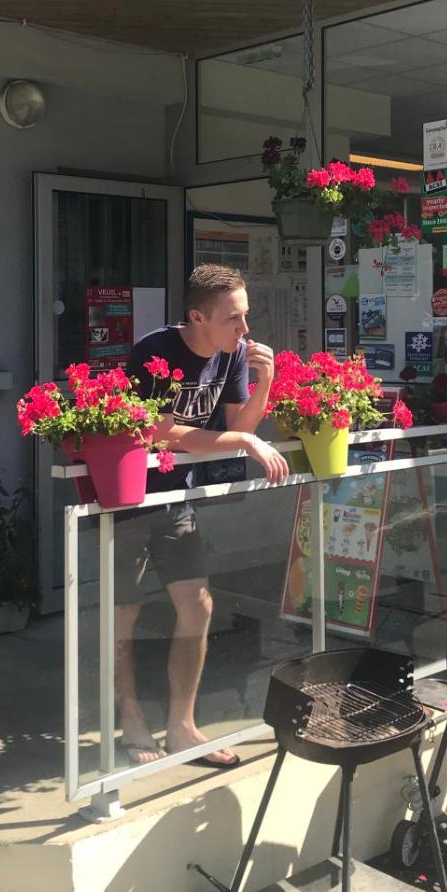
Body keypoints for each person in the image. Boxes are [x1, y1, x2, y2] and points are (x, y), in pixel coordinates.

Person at [114, 264, 288, 768]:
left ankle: (182, 726)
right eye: (233, 318)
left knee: (198, 608)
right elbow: (162, 433)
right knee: (125, 615)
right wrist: (246, 442)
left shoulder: (232, 354)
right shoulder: (156, 351)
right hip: (128, 500)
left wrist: (264, 383)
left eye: (245, 316)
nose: (244, 328)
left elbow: (239, 425)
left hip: (176, 500)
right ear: (197, 317)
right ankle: (131, 716)